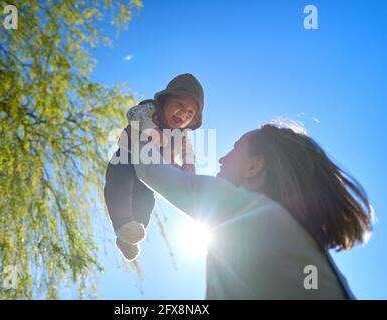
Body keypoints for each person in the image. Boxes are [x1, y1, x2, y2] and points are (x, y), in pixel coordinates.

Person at [131, 122, 373, 299]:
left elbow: (149, 169)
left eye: (235, 147)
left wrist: (139, 129)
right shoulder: (304, 244)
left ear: (254, 166)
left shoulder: (249, 211)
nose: (221, 159)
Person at [104, 73, 205, 261]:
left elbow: (187, 149)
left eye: (190, 113)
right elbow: (134, 113)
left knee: (147, 199)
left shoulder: (180, 135)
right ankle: (122, 223)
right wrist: (151, 129)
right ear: (165, 102)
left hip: (148, 173)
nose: (183, 113)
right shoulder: (150, 110)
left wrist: (188, 163)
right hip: (127, 158)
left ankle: (130, 237)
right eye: (180, 105)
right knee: (120, 185)